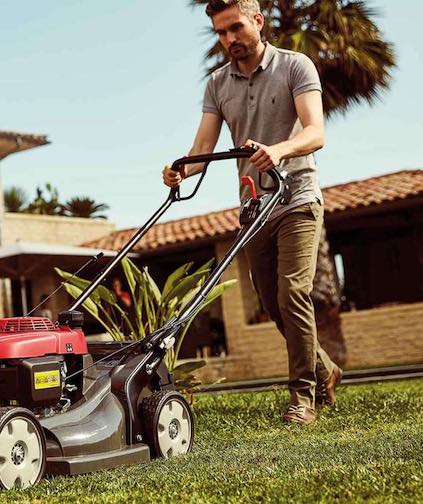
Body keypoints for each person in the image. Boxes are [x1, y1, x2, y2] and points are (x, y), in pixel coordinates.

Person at [162, 0, 342, 425]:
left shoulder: (295, 66)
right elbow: (203, 148)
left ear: (258, 21)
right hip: (254, 206)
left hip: (296, 194)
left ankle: (304, 397)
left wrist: (277, 150)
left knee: (292, 293)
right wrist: (180, 171)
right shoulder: (217, 84)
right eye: (221, 33)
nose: (230, 40)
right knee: (272, 303)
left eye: (236, 28)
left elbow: (316, 132)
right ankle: (325, 369)